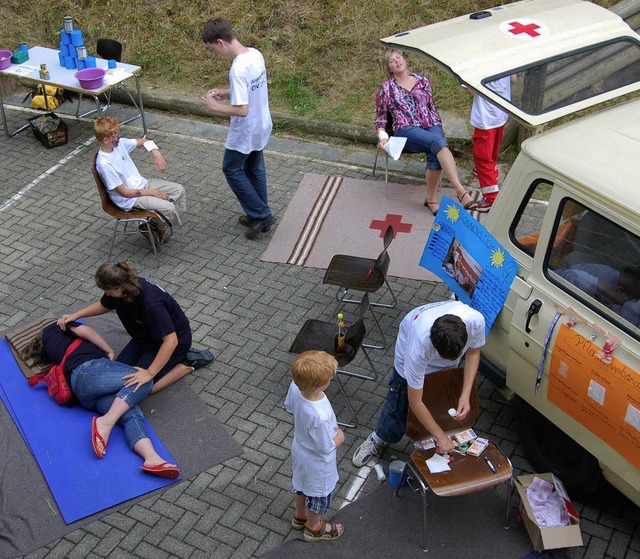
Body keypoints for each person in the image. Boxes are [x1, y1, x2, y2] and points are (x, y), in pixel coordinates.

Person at [25, 319, 180, 477]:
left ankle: (152, 458)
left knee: (130, 413)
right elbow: (87, 331)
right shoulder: (54, 328)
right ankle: (105, 422)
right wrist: (109, 350)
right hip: (88, 371)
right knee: (145, 379)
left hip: (83, 394)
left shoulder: (52, 350)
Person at [352, 301, 485, 467]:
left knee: (442, 395)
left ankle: (434, 435)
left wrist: (465, 394)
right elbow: (415, 401)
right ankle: (377, 438)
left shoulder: (476, 321)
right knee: (399, 402)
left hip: (438, 346)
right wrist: (441, 438)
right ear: (432, 344)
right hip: (407, 354)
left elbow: (473, 352)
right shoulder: (418, 347)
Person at [57, 261, 210, 394]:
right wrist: (76, 315)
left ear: (119, 287)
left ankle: (188, 363)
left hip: (173, 343)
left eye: (108, 292)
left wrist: (149, 373)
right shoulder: (123, 288)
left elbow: (171, 341)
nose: (106, 295)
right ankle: (163, 364)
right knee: (117, 376)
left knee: (141, 387)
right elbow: (105, 305)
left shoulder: (151, 303)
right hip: (143, 339)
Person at [375, 50, 478, 217]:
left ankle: (430, 199)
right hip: (406, 129)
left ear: (404, 58)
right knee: (438, 144)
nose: (397, 61)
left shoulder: (423, 80)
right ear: (389, 68)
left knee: (436, 148)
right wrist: (383, 137)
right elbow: (380, 117)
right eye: (392, 61)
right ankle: (460, 191)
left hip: (431, 124)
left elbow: (432, 107)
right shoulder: (386, 88)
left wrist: (438, 129)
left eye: (398, 57)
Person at [201, 18, 276, 240]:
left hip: (246, 129)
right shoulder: (255, 54)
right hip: (262, 124)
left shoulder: (237, 68)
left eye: (212, 48)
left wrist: (216, 106)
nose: (213, 53)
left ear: (221, 42)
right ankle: (258, 214)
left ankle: (261, 214)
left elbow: (242, 110)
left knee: (231, 169)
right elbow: (250, 88)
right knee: (254, 168)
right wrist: (226, 92)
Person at [93, 117, 187, 246]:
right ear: (105, 139)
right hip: (130, 199)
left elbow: (144, 141)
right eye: (115, 135)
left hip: (142, 184)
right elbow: (125, 193)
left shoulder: (118, 144)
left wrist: (157, 154)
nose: (118, 137)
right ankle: (160, 228)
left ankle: (154, 225)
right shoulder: (104, 164)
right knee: (169, 208)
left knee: (179, 190)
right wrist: (152, 192)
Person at [284, 351, 345, 542]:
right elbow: (325, 447)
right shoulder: (319, 416)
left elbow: (289, 406)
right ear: (320, 384)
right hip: (317, 461)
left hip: (300, 449)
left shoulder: (295, 386)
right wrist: (340, 437)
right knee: (318, 495)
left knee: (300, 485)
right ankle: (315, 527)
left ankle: (300, 515)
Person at [465, 76, 515, 210]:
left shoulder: (478, 65)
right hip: (501, 113)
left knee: (482, 159)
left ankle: (492, 198)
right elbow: (514, 79)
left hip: (486, 118)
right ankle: (493, 180)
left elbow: (470, 90)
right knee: (492, 155)